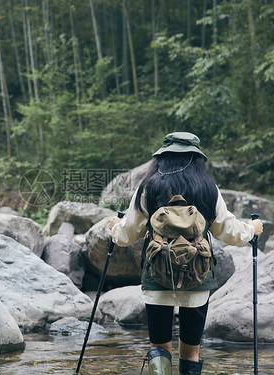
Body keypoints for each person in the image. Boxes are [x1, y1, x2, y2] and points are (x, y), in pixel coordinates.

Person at [109, 132, 263, 375]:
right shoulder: (207, 188)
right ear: (197, 158)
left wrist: (114, 229)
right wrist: (251, 230)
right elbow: (228, 230)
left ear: (161, 158)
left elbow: (127, 234)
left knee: (159, 348)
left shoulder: (149, 186)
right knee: (191, 352)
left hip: (157, 276)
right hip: (197, 276)